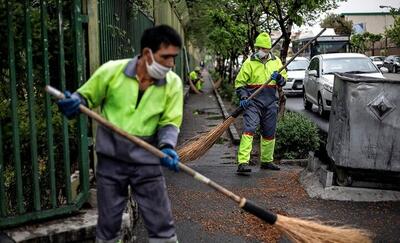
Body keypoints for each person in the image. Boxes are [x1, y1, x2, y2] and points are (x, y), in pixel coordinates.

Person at [57, 25, 183, 243]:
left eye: (174, 58)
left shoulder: (173, 83)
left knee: (161, 225)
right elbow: (85, 96)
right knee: (108, 227)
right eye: (166, 57)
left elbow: (169, 122)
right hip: (111, 160)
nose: (171, 64)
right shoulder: (111, 71)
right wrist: (74, 102)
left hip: (147, 160)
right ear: (147, 54)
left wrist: (168, 147)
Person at [234, 32, 288, 174]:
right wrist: (244, 96)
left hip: (270, 102)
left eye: (265, 49)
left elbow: (284, 80)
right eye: (260, 48)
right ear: (256, 48)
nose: (262, 51)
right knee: (249, 129)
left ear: (269, 49)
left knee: (269, 132)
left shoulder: (276, 62)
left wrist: (279, 78)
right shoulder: (249, 63)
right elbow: (240, 83)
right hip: (253, 102)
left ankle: (266, 161)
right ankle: (243, 162)